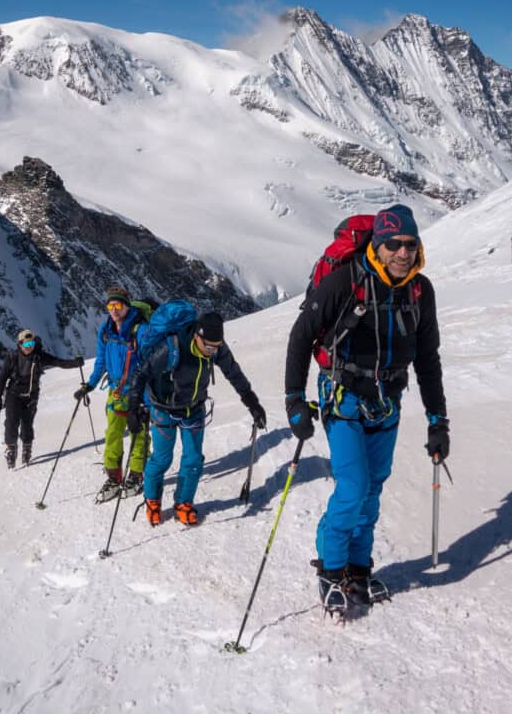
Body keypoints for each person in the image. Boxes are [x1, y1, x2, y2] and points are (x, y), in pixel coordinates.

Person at [285, 204, 449, 614]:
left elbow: (428, 359)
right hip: (343, 397)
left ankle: (358, 568)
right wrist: (293, 399)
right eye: (394, 243)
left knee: (372, 489)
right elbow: (302, 335)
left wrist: (437, 419)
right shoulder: (347, 282)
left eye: (411, 244)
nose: (403, 252)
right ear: (377, 245)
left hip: (387, 402)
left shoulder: (420, 291)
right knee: (354, 486)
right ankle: (331, 569)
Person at [127, 310, 267, 527]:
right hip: (163, 409)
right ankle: (152, 499)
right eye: (209, 346)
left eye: (217, 346)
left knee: (193, 460)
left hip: (193, 409)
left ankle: (183, 503)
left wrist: (252, 402)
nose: (212, 351)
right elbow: (140, 374)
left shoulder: (216, 347)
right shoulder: (172, 347)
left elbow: (233, 373)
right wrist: (133, 407)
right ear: (196, 336)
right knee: (162, 458)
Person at [74, 287, 149, 503]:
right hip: (115, 392)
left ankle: (136, 475)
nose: (114, 310)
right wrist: (89, 384)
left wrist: (147, 400)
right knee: (113, 434)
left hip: (138, 391)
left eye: (118, 305)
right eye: (110, 306)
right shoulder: (105, 331)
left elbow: (149, 364)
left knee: (139, 433)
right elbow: (101, 362)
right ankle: (114, 477)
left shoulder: (140, 330)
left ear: (127, 305)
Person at [0, 329, 83, 469]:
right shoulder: (12, 357)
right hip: (13, 394)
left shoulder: (39, 356)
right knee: (11, 423)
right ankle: (11, 450)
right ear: (20, 344)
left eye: (31, 342)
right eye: (26, 343)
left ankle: (27, 448)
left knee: (27, 424)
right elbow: (2, 378)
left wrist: (76, 363)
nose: (29, 346)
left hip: (31, 395)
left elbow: (58, 362)